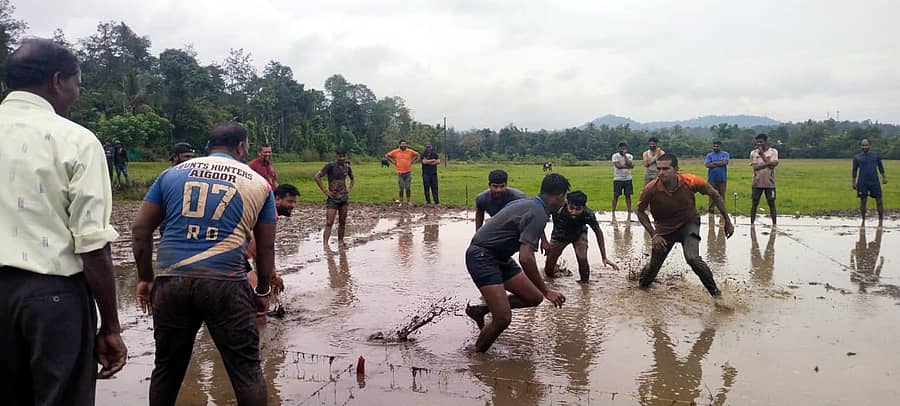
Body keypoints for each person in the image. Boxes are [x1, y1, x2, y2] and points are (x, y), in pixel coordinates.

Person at [0, 38, 126, 404]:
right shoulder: (75, 140)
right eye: (76, 83)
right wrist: (111, 326)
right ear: (58, 81)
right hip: (52, 299)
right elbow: (92, 244)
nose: (76, 94)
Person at [131, 122, 276, 405]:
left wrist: (146, 279)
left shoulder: (170, 175)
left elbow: (139, 231)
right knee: (246, 370)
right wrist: (262, 289)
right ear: (241, 147)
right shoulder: (259, 184)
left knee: (166, 369)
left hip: (172, 282)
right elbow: (266, 246)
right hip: (227, 284)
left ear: (209, 146)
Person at [464, 173, 571, 352]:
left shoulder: (530, 204)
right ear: (559, 196)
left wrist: (542, 292)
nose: (564, 202)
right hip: (482, 257)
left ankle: (481, 310)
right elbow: (525, 258)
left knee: (534, 297)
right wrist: (546, 290)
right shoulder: (538, 213)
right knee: (503, 319)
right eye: (564, 197)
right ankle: (475, 358)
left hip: (500, 257)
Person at [635, 153, 734, 297]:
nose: (661, 173)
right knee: (651, 272)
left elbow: (715, 195)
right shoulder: (651, 189)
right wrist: (654, 235)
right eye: (659, 169)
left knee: (693, 258)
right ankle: (641, 287)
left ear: (676, 169)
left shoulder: (691, 181)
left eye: (666, 169)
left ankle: (716, 295)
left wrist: (727, 221)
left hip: (688, 224)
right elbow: (639, 211)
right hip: (664, 230)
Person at [542, 190, 619, 283]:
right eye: (571, 208)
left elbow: (598, 232)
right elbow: (540, 222)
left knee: (582, 257)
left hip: (579, 234)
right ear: (567, 204)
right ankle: (553, 275)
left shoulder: (588, 214)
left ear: (584, 207)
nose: (574, 212)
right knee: (549, 270)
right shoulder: (557, 208)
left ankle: (584, 284)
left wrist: (604, 257)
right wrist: (544, 241)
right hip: (559, 235)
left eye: (578, 209)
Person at [315, 148, 355, 244]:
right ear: (336, 156)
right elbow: (317, 177)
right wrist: (325, 191)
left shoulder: (347, 167)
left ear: (346, 156)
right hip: (332, 198)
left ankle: (340, 242)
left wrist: (349, 188)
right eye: (340, 156)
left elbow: (352, 178)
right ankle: (325, 244)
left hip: (344, 198)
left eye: (343, 156)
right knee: (329, 222)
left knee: (342, 222)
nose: (342, 158)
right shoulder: (330, 166)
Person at [852, 138, 888, 225]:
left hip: (874, 181)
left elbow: (880, 167)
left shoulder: (876, 156)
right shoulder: (857, 157)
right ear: (860, 146)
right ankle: (863, 220)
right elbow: (854, 170)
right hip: (862, 182)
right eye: (863, 145)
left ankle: (880, 220)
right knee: (863, 201)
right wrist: (853, 182)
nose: (865, 147)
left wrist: (884, 177)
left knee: (879, 200)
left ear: (870, 145)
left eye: (866, 145)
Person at [749, 133, 778, 225]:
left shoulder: (773, 152)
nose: (759, 144)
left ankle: (774, 224)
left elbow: (773, 165)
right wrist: (768, 163)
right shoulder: (753, 153)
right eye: (757, 142)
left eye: (761, 142)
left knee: (771, 203)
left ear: (766, 142)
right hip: (757, 183)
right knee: (754, 203)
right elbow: (755, 167)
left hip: (770, 183)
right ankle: (752, 224)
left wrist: (762, 155)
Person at [385, 139, 419, 205]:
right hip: (400, 173)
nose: (404, 145)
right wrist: (393, 161)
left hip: (408, 172)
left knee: (408, 187)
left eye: (405, 144)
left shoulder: (409, 151)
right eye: (402, 144)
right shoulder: (396, 151)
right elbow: (387, 155)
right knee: (401, 188)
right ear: (399, 145)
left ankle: (408, 201)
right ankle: (401, 202)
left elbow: (417, 155)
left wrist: (412, 161)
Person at [705, 141, 730, 214]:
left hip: (722, 178)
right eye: (714, 146)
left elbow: (725, 162)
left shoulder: (725, 154)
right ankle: (711, 210)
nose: (716, 148)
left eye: (717, 146)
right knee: (711, 194)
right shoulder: (709, 155)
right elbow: (707, 165)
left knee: (722, 195)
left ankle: (722, 211)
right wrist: (719, 163)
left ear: (720, 147)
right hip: (711, 178)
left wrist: (713, 163)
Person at [611, 142, 635, 221]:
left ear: (626, 149)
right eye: (621, 149)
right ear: (618, 149)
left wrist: (625, 156)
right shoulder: (615, 156)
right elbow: (618, 166)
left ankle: (629, 211)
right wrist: (628, 166)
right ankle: (613, 211)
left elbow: (630, 164)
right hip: (618, 179)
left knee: (628, 195)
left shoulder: (629, 156)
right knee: (616, 195)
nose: (622, 150)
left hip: (628, 178)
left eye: (624, 149)